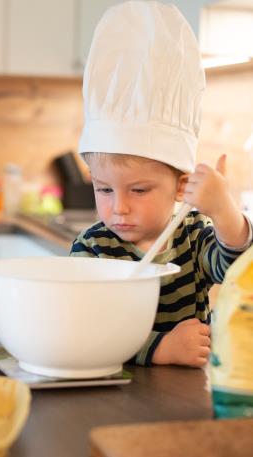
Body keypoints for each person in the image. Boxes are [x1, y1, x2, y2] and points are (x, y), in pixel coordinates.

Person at [70, 1, 253, 368]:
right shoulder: (92, 247)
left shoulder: (192, 235)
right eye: (104, 189)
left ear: (181, 186)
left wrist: (223, 209)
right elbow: (82, 329)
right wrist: (160, 350)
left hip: (183, 401)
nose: (118, 207)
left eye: (138, 190)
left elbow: (235, 268)